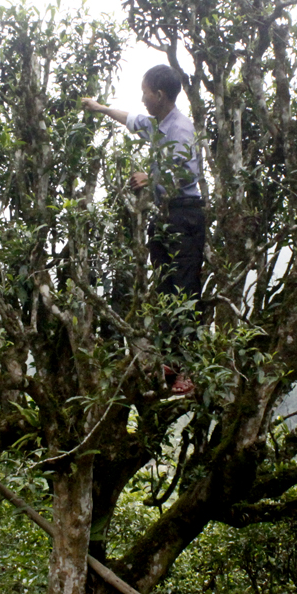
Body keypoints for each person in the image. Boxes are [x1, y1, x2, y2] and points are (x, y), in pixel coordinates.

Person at [81, 64, 205, 395]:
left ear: (159, 95)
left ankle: (190, 371)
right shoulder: (158, 124)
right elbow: (131, 119)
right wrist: (100, 108)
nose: (142, 98)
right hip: (165, 216)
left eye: (146, 92)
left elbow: (185, 175)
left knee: (186, 290)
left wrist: (151, 179)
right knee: (165, 287)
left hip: (186, 214)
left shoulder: (180, 130)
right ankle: (172, 365)